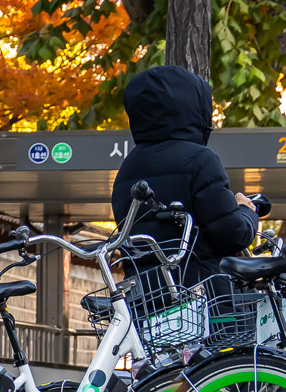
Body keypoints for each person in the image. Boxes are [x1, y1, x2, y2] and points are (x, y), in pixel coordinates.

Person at [109, 66, 257, 284]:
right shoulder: (200, 159)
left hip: (146, 297)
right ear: (192, 107)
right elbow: (232, 235)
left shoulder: (128, 167)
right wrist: (247, 211)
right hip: (200, 296)